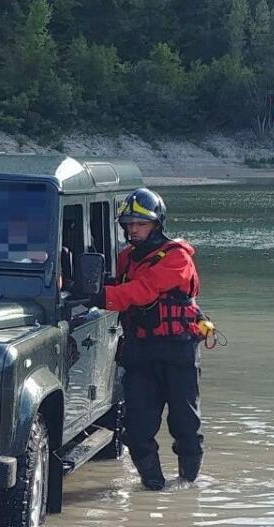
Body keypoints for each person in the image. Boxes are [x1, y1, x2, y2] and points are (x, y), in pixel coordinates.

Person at [87, 188, 209, 491]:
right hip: (141, 353)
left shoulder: (177, 258)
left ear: (157, 224)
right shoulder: (126, 258)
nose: (133, 230)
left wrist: (99, 296)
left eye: (140, 224)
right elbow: (112, 281)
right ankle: (153, 486)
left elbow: (141, 291)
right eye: (128, 224)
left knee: (185, 426)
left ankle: (187, 483)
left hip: (178, 352)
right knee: (136, 429)